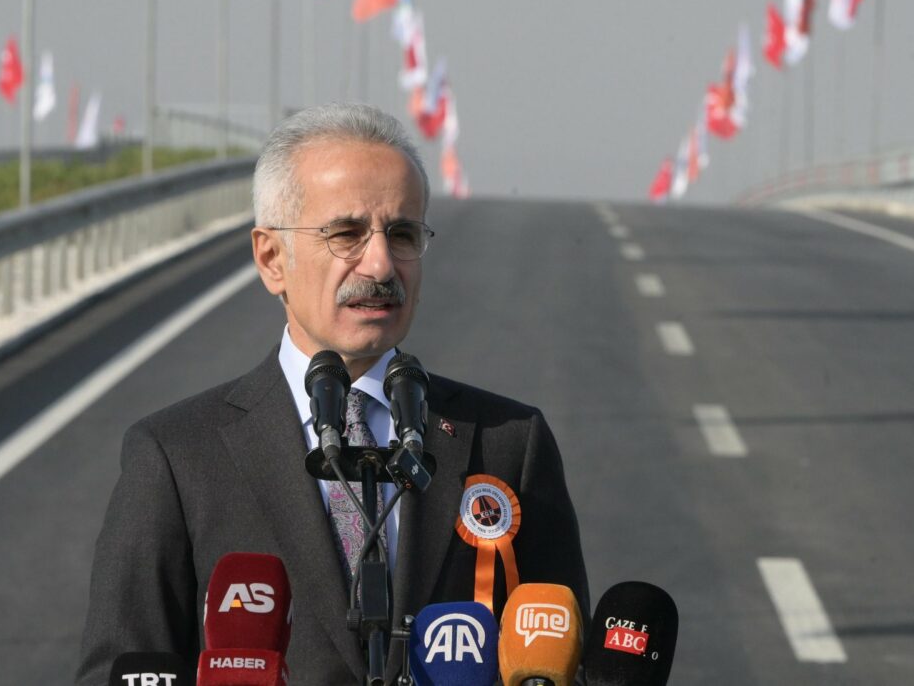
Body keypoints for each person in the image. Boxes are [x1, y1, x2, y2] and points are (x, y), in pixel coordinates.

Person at [76, 104, 587, 685]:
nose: (381, 264)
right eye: (346, 234)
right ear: (272, 258)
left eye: (402, 234)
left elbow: (564, 660)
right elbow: (120, 668)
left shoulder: (508, 443)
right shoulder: (176, 456)